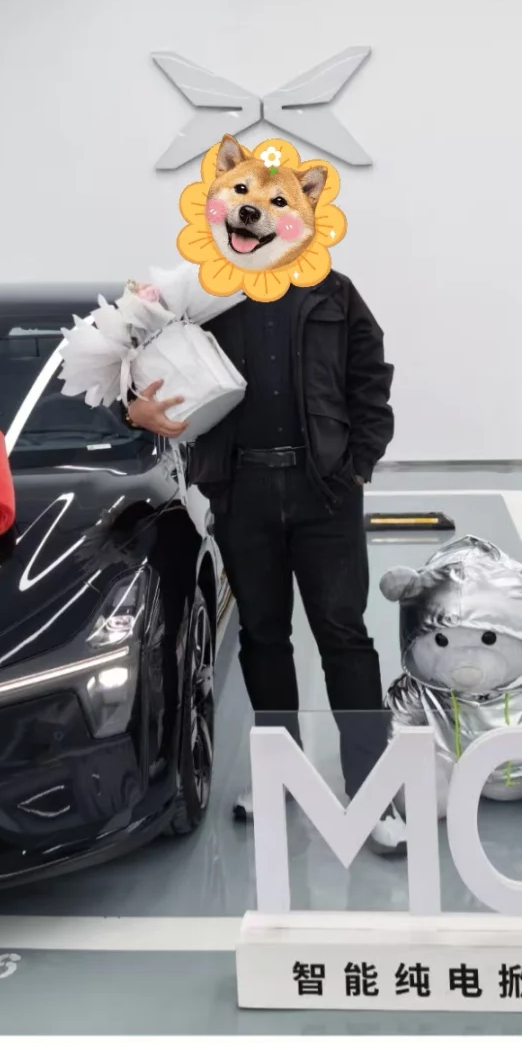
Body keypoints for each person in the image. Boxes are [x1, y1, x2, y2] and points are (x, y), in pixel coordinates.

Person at [124, 268, 406, 855]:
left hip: (324, 490)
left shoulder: (332, 290)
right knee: (263, 636)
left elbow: (370, 374)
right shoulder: (206, 290)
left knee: (344, 636)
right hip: (242, 488)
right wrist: (134, 406)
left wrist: (360, 461)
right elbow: (136, 361)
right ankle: (282, 776)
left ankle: (372, 790)